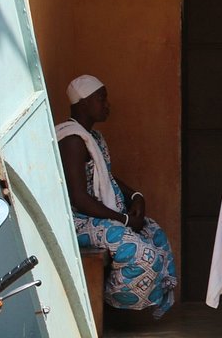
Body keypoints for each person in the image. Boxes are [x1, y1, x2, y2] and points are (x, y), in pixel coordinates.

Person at [56, 75, 177, 321]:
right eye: (101, 98)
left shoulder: (94, 138)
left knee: (155, 233)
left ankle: (144, 305)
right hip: (77, 221)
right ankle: (110, 305)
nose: (107, 104)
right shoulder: (72, 140)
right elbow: (78, 198)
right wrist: (122, 219)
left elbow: (108, 178)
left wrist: (136, 196)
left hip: (101, 216)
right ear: (82, 102)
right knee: (141, 253)